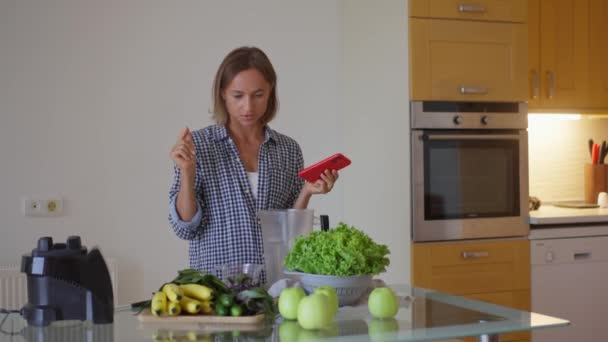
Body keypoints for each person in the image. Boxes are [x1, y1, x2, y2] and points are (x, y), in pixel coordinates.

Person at [168, 46, 339, 280]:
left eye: (258, 95)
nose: (248, 107)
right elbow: (185, 228)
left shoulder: (287, 150)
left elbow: (289, 234)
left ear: (270, 93)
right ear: (222, 94)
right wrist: (187, 172)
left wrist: (307, 191)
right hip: (217, 295)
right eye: (238, 96)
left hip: (275, 292)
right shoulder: (198, 145)